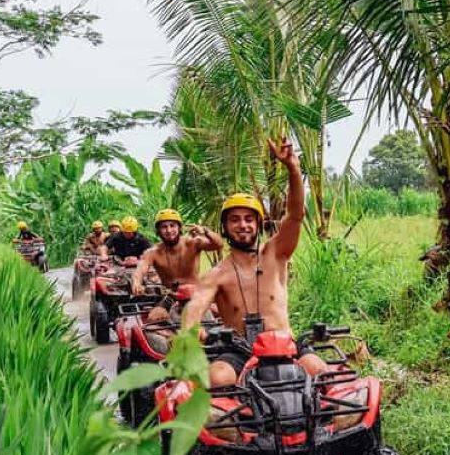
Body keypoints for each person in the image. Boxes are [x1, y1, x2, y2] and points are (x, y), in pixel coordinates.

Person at [183, 138, 326, 387]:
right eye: (235, 220)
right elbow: (195, 309)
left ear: (258, 224)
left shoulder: (275, 252)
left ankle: (323, 425)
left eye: (249, 219)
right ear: (225, 228)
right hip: (240, 351)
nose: (243, 225)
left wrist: (293, 169)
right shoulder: (217, 274)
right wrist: (191, 331)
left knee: (321, 372)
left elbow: (295, 215)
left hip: (286, 345)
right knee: (215, 377)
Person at [133, 209, 223, 321]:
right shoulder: (153, 252)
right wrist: (137, 283)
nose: (169, 230)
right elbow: (140, 269)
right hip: (171, 297)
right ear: (158, 230)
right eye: (164, 227)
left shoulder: (193, 243)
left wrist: (205, 231)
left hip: (196, 294)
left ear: (179, 228)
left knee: (223, 315)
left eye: (172, 226)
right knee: (152, 320)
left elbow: (218, 244)